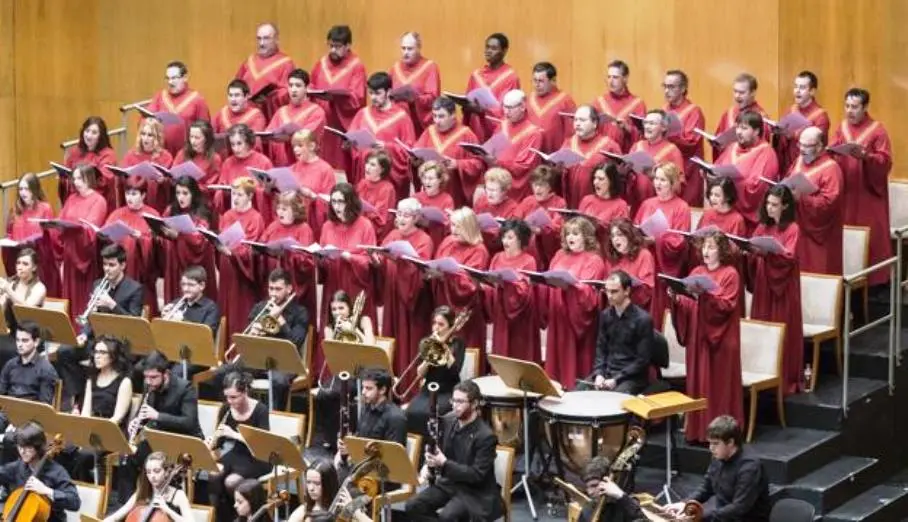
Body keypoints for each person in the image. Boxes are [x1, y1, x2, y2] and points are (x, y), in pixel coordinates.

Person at [668, 232, 744, 443]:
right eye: (704, 247)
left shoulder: (730, 274)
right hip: (698, 338)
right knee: (698, 385)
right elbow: (691, 306)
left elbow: (726, 306)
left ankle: (721, 434)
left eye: (711, 247)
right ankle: (697, 431)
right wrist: (677, 299)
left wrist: (706, 296)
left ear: (721, 250)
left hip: (720, 340)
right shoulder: (697, 271)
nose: (706, 252)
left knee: (718, 387)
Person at [55, 243, 143, 407]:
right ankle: (78, 395)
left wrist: (112, 305)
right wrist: (84, 332)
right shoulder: (98, 284)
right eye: (104, 264)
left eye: (112, 265)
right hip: (97, 340)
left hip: (120, 344)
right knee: (64, 351)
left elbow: (134, 323)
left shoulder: (135, 289)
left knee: (108, 356)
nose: (107, 269)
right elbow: (92, 316)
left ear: (122, 265)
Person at [404, 380, 504, 522]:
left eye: (460, 402)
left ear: (475, 404)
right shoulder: (449, 420)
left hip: (474, 492)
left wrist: (444, 463)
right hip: (449, 484)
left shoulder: (486, 436)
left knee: (448, 517)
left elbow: (476, 475)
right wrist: (431, 461)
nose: (454, 406)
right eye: (453, 400)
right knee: (413, 506)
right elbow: (442, 451)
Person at [120, 350, 202, 501]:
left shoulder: (186, 389)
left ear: (166, 374)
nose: (149, 381)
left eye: (153, 377)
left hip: (183, 440)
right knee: (128, 460)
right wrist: (136, 423)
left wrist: (157, 416)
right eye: (146, 377)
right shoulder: (150, 386)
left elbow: (189, 422)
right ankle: (128, 508)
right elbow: (143, 414)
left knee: (160, 467)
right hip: (158, 438)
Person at [830, 87, 892, 287]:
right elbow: (831, 151)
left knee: (871, 239)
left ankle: (875, 284)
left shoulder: (878, 130)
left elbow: (885, 162)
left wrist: (867, 157)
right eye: (847, 106)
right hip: (847, 192)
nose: (850, 111)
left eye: (855, 107)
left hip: (868, 194)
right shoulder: (842, 128)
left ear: (865, 107)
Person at [224, 268, 308, 410]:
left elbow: (295, 342)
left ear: (289, 289)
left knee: (279, 381)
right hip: (258, 359)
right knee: (224, 372)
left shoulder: (301, 312)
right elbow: (246, 339)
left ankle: (275, 419)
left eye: (278, 289)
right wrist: (252, 333)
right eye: (271, 289)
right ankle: (236, 413)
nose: (273, 293)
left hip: (285, 362)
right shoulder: (260, 307)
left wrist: (281, 322)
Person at [749, 186, 803, 394]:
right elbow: (754, 246)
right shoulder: (763, 227)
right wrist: (751, 251)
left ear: (786, 206)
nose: (769, 208)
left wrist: (768, 254)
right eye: (768, 203)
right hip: (764, 284)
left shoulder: (793, 229)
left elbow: (789, 258)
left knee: (782, 327)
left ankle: (784, 376)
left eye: (774, 205)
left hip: (783, 288)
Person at [665, 415, 770, 521]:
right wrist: (685, 503)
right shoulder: (718, 457)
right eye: (710, 443)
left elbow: (739, 507)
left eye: (715, 444)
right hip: (724, 517)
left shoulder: (750, 467)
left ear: (730, 442)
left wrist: (700, 517)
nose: (711, 448)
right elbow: (706, 488)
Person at [541, 217, 606, 387]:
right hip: (558, 317)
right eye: (568, 233)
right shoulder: (559, 255)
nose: (571, 237)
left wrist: (572, 285)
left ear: (586, 236)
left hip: (576, 320)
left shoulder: (594, 260)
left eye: (576, 234)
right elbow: (550, 279)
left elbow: (590, 293)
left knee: (575, 365)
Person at [373, 198, 434, 376]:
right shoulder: (392, 235)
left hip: (411, 302)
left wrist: (397, 261)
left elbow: (419, 272)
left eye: (406, 215)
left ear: (416, 218)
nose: (400, 218)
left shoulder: (424, 239)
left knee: (409, 343)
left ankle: (408, 385)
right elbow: (384, 265)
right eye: (398, 214)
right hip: (392, 295)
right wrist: (378, 261)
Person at [42, 165, 108, 320]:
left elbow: (91, 228)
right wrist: (51, 226)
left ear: (89, 178)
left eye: (80, 178)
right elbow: (61, 221)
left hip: (86, 257)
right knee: (69, 298)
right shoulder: (71, 198)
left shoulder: (99, 200)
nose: (76, 182)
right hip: (70, 255)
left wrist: (75, 228)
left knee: (85, 298)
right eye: (75, 178)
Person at [207, 371, 272, 520]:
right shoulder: (226, 409)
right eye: (227, 397)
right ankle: (220, 517)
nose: (229, 401)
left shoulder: (260, 410)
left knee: (231, 482)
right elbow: (220, 442)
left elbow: (263, 443)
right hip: (238, 453)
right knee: (213, 475)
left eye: (234, 397)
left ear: (245, 392)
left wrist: (234, 435)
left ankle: (240, 517)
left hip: (258, 458)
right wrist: (212, 441)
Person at [634, 162, 690, 329]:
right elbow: (636, 229)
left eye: (663, 180)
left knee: (659, 319)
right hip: (645, 265)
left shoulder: (682, 207)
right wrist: (638, 237)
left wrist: (656, 240)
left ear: (673, 183)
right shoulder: (647, 204)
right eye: (656, 179)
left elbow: (680, 241)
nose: (657, 183)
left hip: (664, 268)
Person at [317, 183, 378, 337]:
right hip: (334, 282)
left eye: (341, 202)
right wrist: (319, 258)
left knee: (355, 329)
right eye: (334, 201)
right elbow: (324, 259)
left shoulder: (365, 225)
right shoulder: (327, 226)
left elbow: (369, 261)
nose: (337, 206)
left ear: (351, 202)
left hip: (355, 285)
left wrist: (348, 257)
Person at [70, 336, 133, 481]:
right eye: (96, 351)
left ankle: (87, 489)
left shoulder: (124, 382)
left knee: (85, 455)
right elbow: (86, 411)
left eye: (102, 352)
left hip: (111, 432)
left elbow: (117, 418)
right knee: (67, 449)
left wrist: (92, 435)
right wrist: (84, 434)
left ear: (113, 356)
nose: (97, 356)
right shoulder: (92, 378)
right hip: (92, 428)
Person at [335, 368, 407, 489]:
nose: (363, 392)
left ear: (383, 390)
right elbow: (360, 439)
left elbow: (391, 459)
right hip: (362, 468)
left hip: (383, 477)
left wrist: (355, 454)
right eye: (363, 387)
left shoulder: (396, 418)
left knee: (347, 492)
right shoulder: (367, 409)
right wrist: (349, 445)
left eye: (369, 388)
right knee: (326, 479)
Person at [310, 25, 367, 174]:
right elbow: (311, 85)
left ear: (348, 45)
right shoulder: (321, 63)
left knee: (341, 170)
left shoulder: (356, 66)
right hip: (322, 125)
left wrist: (337, 99)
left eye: (338, 46)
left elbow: (357, 98)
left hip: (341, 127)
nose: (333, 50)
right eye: (331, 46)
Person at [348, 71, 416, 197]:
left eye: (378, 93)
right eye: (371, 93)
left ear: (389, 92)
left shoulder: (402, 117)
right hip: (365, 177)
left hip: (390, 179)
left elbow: (409, 151)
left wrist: (386, 147)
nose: (373, 97)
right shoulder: (362, 114)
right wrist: (351, 144)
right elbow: (351, 142)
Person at [431, 208, 490, 351]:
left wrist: (447, 275)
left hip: (465, 313)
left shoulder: (479, 250)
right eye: (452, 225)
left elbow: (469, 285)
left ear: (469, 227)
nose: (454, 230)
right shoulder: (447, 242)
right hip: (444, 304)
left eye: (458, 226)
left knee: (463, 353)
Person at [483, 220, 540, 363]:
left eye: (510, 237)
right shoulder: (497, 257)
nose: (505, 241)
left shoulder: (529, 260)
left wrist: (507, 285)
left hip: (521, 318)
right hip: (501, 313)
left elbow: (525, 291)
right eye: (504, 237)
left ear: (520, 239)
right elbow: (491, 284)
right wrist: (484, 285)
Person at [789, 126, 843, 276]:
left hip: (819, 235)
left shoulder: (831, 168)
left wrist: (802, 198)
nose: (802, 149)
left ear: (820, 146)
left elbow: (829, 203)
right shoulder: (799, 161)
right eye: (800, 144)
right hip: (797, 227)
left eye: (807, 146)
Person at [587, 270, 653, 394]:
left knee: (611, 403)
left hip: (631, 378)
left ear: (627, 291)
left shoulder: (643, 320)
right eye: (607, 291)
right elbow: (600, 349)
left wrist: (617, 379)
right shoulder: (605, 315)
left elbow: (642, 361)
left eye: (614, 291)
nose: (609, 295)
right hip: (608, 374)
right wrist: (599, 374)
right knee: (578, 394)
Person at [405, 306, 466, 438]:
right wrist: (429, 356)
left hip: (448, 390)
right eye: (434, 323)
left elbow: (455, 371)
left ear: (450, 327)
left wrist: (443, 348)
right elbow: (420, 374)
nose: (436, 327)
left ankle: (434, 448)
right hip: (428, 389)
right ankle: (417, 451)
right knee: (411, 411)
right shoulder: (427, 342)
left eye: (441, 324)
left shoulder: (458, 344)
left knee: (431, 414)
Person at [0, 422, 80, 522]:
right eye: (20, 446)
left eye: (28, 447)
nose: (22, 452)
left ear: (38, 447)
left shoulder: (56, 472)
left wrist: (46, 490)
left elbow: (75, 502)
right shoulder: (19, 466)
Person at [412, 96, 483, 207]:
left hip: (454, 191)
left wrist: (458, 164)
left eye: (441, 116)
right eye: (434, 116)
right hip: (430, 190)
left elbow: (478, 164)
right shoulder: (429, 131)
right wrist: (415, 160)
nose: (437, 121)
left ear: (453, 115)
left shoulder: (466, 134)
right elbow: (416, 153)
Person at [715, 110, 780, 233]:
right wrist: (710, 174)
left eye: (744, 128)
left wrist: (729, 184)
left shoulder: (766, 153)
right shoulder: (732, 147)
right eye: (737, 127)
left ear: (756, 131)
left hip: (749, 223)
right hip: (725, 217)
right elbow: (716, 168)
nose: (739, 132)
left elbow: (757, 188)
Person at [103, 176, 160, 314]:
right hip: (120, 268)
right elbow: (106, 236)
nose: (129, 197)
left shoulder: (152, 215)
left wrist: (141, 238)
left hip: (140, 270)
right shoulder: (117, 213)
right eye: (127, 193)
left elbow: (158, 244)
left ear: (144, 195)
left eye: (134, 194)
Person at [216, 177, 265, 335]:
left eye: (240, 195)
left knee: (239, 311)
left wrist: (233, 253)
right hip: (227, 269)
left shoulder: (255, 218)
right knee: (225, 308)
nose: (235, 198)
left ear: (250, 196)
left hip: (242, 272)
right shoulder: (228, 215)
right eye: (233, 194)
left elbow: (251, 248)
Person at [259, 190, 317, 318]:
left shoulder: (304, 229)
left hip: (293, 286)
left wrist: (287, 254)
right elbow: (262, 245)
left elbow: (307, 263)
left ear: (295, 210)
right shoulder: (273, 226)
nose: (280, 212)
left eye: (284, 209)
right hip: (274, 282)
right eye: (278, 208)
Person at [159, 176, 217, 302]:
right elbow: (163, 231)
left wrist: (179, 236)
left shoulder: (202, 213)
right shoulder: (171, 210)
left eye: (185, 193)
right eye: (178, 193)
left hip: (195, 267)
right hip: (175, 263)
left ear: (193, 194)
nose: (181, 197)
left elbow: (200, 241)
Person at [4, 172, 60, 297]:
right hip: (20, 260)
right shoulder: (15, 210)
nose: (23, 193)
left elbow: (52, 236)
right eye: (20, 189)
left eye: (27, 189)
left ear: (34, 189)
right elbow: (9, 234)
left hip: (40, 262)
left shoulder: (45, 208)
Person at [480, 89, 542, 201]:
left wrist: (497, 162)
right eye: (504, 107)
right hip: (497, 184)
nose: (506, 112)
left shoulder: (533, 133)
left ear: (523, 106)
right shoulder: (503, 125)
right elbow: (492, 148)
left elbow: (523, 165)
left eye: (510, 108)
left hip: (518, 188)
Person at [461, 33, 520, 142]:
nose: (488, 51)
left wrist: (483, 112)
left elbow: (510, 111)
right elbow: (467, 103)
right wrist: (466, 107)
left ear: (504, 51)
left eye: (493, 48)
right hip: (475, 129)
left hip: (496, 133)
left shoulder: (511, 77)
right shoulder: (476, 75)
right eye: (487, 47)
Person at [560, 105, 622, 208]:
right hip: (572, 203)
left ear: (594, 123)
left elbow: (618, 180)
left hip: (598, 207)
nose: (577, 124)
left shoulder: (610, 146)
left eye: (582, 120)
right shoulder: (568, 143)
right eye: (575, 120)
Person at [625, 109, 685, 216]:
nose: (647, 127)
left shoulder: (672, 150)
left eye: (652, 123)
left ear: (664, 127)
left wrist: (654, 177)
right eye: (645, 123)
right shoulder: (637, 146)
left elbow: (679, 186)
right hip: (637, 205)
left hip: (661, 209)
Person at [264, 68, 327, 167]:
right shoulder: (281, 111)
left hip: (306, 167)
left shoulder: (317, 112)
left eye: (298, 86)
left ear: (307, 88)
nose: (293, 89)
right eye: (290, 85)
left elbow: (306, 139)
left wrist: (285, 137)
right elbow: (269, 136)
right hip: (281, 166)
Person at [104, 451, 192, 522]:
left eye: (156, 471)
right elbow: (116, 517)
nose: (152, 476)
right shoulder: (143, 491)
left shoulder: (178, 495)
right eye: (148, 472)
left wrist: (167, 510)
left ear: (166, 472)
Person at [147, 60, 212, 155]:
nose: (170, 82)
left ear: (185, 78)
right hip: (161, 154)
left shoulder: (197, 100)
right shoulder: (160, 96)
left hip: (188, 155)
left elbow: (206, 131)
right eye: (167, 78)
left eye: (174, 78)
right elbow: (146, 120)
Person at [662, 69, 706, 207]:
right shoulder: (663, 110)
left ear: (683, 89)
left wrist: (668, 134)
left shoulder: (694, 111)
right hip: (667, 169)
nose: (666, 91)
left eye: (671, 87)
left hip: (688, 170)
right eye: (665, 86)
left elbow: (691, 141)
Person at [235, 23, 295, 121]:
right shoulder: (250, 61)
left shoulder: (286, 63)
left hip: (271, 117)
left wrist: (270, 98)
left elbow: (289, 93)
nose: (261, 43)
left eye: (266, 38)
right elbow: (237, 86)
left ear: (276, 40)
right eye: (259, 38)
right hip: (248, 118)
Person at [774, 71, 830, 173]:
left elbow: (819, 148)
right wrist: (780, 134)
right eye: (796, 86)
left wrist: (794, 135)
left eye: (802, 87)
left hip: (808, 170)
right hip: (787, 166)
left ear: (812, 91)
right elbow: (781, 144)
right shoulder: (791, 110)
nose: (797, 91)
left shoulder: (820, 117)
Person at [215, 124, 274, 217]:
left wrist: (254, 191)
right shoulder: (228, 162)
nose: (236, 149)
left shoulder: (263, 162)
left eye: (239, 143)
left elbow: (271, 193)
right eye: (232, 144)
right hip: (233, 213)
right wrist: (223, 193)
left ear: (248, 142)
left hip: (256, 215)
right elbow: (220, 190)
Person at [390, 32, 441, 136]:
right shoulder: (395, 68)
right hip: (398, 122)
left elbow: (433, 97)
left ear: (419, 48)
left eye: (410, 49)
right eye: (403, 48)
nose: (405, 52)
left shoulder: (430, 67)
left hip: (419, 124)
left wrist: (415, 99)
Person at [514, 165, 566, 267]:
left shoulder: (559, 203)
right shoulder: (528, 201)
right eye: (535, 184)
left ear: (550, 186)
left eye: (542, 185)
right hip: (527, 251)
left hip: (549, 251)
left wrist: (541, 230)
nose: (537, 188)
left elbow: (558, 227)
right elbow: (516, 220)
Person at [61, 116, 118, 208]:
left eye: (94, 133)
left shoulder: (108, 154)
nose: (89, 135)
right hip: (75, 199)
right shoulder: (75, 151)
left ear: (101, 135)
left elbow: (104, 179)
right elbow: (67, 172)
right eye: (87, 131)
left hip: (95, 202)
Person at [290, 128, 338, 237]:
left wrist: (311, 195)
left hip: (313, 225)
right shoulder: (292, 168)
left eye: (300, 145)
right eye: (294, 146)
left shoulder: (325, 169)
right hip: (293, 222)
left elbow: (330, 203)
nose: (295, 149)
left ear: (312, 146)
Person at [120, 117, 174, 211]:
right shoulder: (130, 155)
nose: (145, 138)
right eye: (143, 134)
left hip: (157, 203)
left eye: (150, 135)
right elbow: (123, 178)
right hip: (135, 202)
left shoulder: (166, 156)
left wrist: (163, 180)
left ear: (157, 137)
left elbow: (171, 182)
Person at [712, 73, 771, 158]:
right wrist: (716, 143)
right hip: (727, 162)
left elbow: (762, 147)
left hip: (748, 163)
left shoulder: (761, 118)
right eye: (735, 91)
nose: (737, 96)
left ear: (753, 93)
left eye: (741, 93)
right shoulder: (728, 113)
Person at [594, 60, 647, 152]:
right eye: (609, 77)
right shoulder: (598, 102)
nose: (611, 81)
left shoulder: (637, 104)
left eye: (615, 77)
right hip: (601, 155)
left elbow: (644, 136)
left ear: (625, 78)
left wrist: (628, 129)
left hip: (625, 156)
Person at [605, 218, 655, 314]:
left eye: (619, 235)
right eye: (612, 236)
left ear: (629, 235)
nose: (615, 239)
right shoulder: (612, 258)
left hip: (635, 312)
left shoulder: (644, 255)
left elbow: (648, 290)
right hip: (614, 311)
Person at [576, 455, 645, 522]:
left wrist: (621, 496)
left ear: (609, 483)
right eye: (587, 487)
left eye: (594, 485)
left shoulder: (626, 506)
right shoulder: (588, 509)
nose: (590, 492)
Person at [527, 61, 576, 153]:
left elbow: (571, 134)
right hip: (533, 156)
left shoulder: (566, 101)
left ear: (553, 80)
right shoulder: (529, 99)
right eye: (534, 80)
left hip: (555, 157)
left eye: (541, 81)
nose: (537, 85)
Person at [213, 80, 268, 159]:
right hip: (225, 164)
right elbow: (210, 137)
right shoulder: (222, 113)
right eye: (230, 95)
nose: (233, 99)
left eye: (237, 95)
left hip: (247, 163)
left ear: (247, 96)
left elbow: (255, 143)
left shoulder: (256, 116)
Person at [578, 163, 629, 247]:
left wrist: (600, 226)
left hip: (606, 249)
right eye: (595, 178)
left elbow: (622, 235)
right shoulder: (586, 200)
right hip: (585, 247)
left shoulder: (621, 205)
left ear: (611, 182)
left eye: (601, 179)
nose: (595, 182)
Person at [160, 265, 220, 335]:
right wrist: (163, 320)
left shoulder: (211, 308)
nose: (185, 289)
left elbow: (206, 335)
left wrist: (182, 321)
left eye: (191, 285)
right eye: (183, 284)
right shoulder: (176, 303)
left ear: (202, 286)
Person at [0, 248, 47, 337]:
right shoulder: (12, 283)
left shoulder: (39, 288)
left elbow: (26, 309)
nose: (20, 267)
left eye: (25, 264)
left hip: (30, 337)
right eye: (18, 263)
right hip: (11, 333)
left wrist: (8, 289)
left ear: (34, 267)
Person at [473, 168, 519, 256]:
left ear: (504, 191)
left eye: (493, 190)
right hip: (479, 246)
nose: (489, 194)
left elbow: (511, 237)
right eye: (487, 189)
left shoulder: (513, 208)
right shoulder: (481, 201)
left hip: (500, 251)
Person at [356, 150, 398, 241]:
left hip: (375, 234)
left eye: (373, 165)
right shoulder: (363, 183)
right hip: (358, 227)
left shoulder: (387, 188)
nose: (367, 167)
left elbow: (380, 218)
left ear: (382, 169)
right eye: (367, 163)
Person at [413, 160, 455, 248]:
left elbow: (448, 226)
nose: (427, 182)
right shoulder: (415, 197)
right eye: (424, 178)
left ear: (440, 180)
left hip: (437, 241)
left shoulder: (447, 199)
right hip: (418, 241)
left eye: (431, 179)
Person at [172, 120, 223, 189]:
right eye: (191, 137)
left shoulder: (215, 159)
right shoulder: (182, 153)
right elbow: (173, 175)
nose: (193, 141)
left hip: (201, 196)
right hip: (182, 193)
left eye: (197, 138)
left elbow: (211, 186)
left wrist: (193, 187)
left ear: (206, 139)